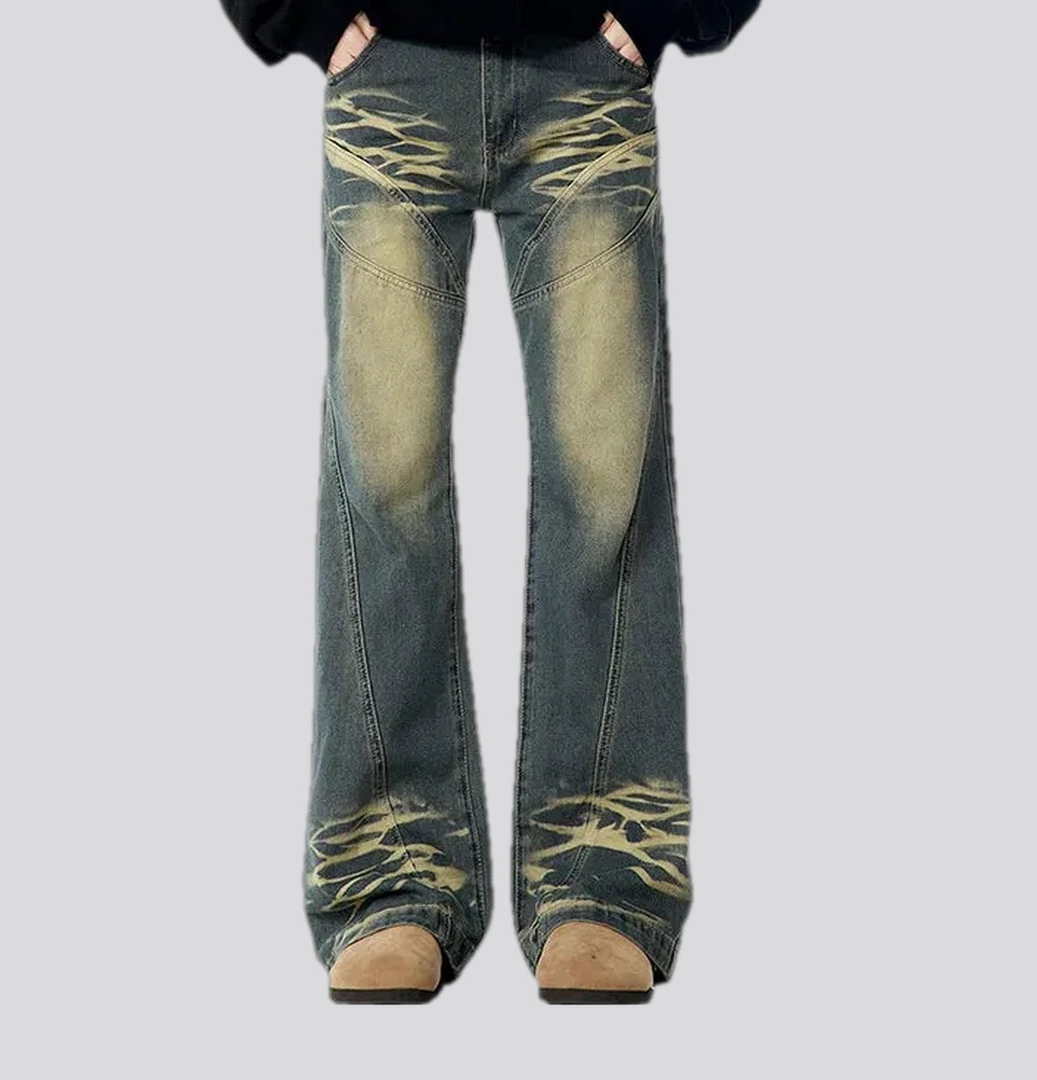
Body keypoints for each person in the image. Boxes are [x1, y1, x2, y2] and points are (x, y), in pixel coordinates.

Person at [220, 1, 760, 1003]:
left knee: (606, 477)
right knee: (384, 476)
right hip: (390, 70)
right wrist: (296, 9)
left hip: (585, 69)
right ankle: (390, 876)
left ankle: (604, 878)